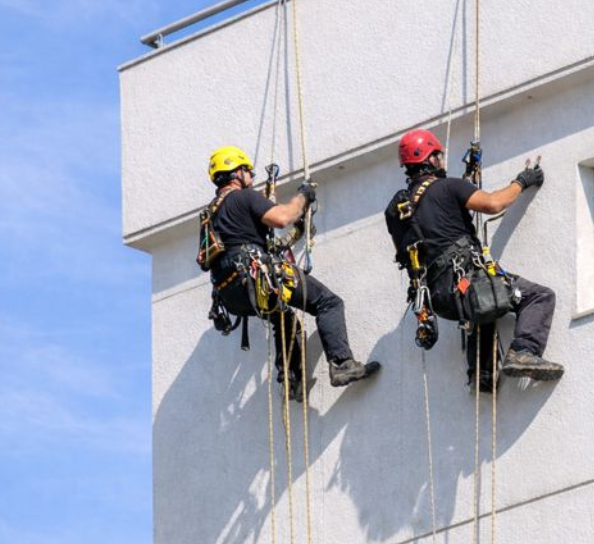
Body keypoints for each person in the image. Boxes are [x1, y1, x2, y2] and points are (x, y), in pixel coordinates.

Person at [385, 130, 563, 393]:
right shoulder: (447, 187)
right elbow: (493, 203)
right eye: (439, 156)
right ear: (430, 159)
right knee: (539, 296)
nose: (442, 161)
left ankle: (482, 374)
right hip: (465, 282)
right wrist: (522, 181)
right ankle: (524, 351)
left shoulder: (396, 209)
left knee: (482, 307)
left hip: (438, 298)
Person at [206, 145, 380, 401]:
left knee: (283, 319)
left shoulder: (210, 214)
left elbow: (253, 242)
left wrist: (291, 236)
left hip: (231, 294)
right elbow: (281, 217)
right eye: (249, 173)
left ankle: (292, 381)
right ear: (237, 172)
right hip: (254, 276)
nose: (252, 179)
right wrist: (304, 196)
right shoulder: (244, 197)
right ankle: (342, 364)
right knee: (327, 302)